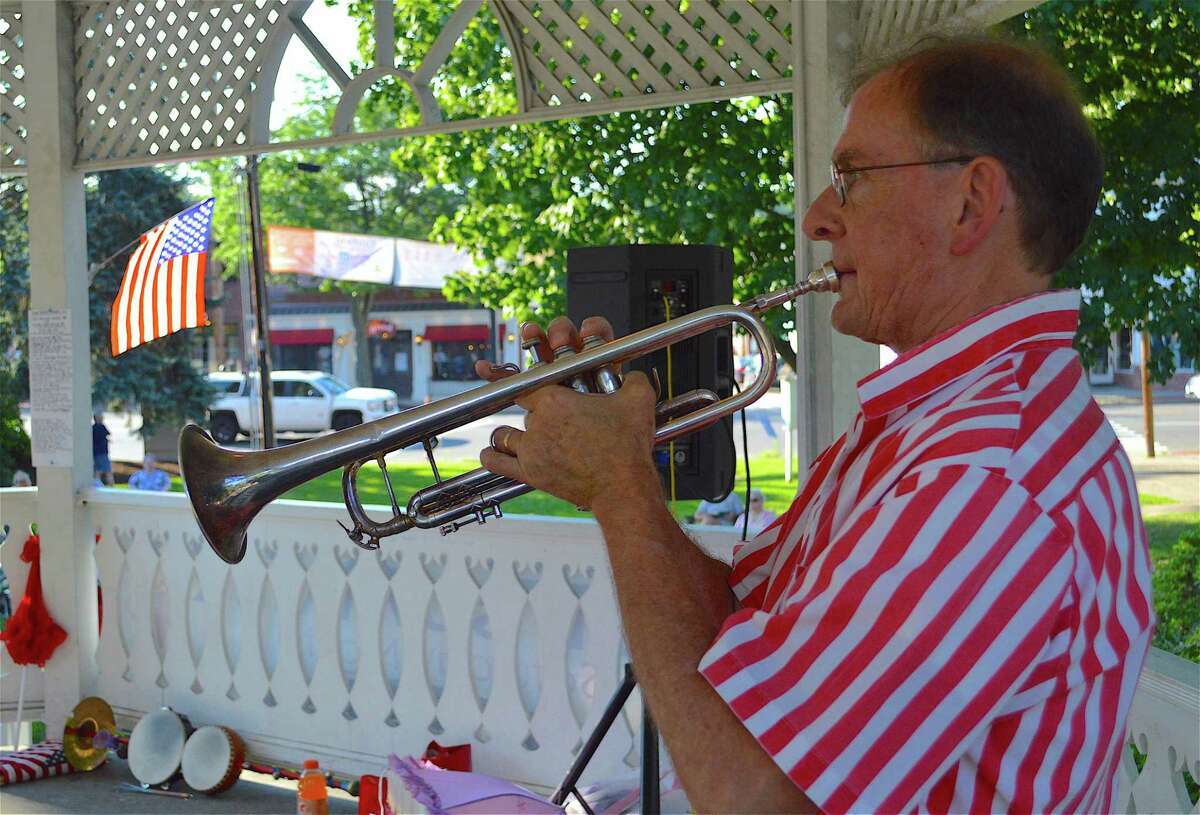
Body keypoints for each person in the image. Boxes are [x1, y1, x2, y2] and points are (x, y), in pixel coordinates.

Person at [476, 34, 1152, 814]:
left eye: (852, 177)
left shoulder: (987, 474)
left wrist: (621, 487)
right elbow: (741, 634)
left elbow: (758, 795)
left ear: (970, 202)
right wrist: (614, 473)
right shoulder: (937, 422)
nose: (816, 217)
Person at [92, 413, 113, 486]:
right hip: (103, 453)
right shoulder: (102, 427)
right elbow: (108, 434)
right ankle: (111, 487)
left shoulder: (93, 428)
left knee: (98, 471)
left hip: (95, 453)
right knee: (108, 471)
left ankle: (98, 486)